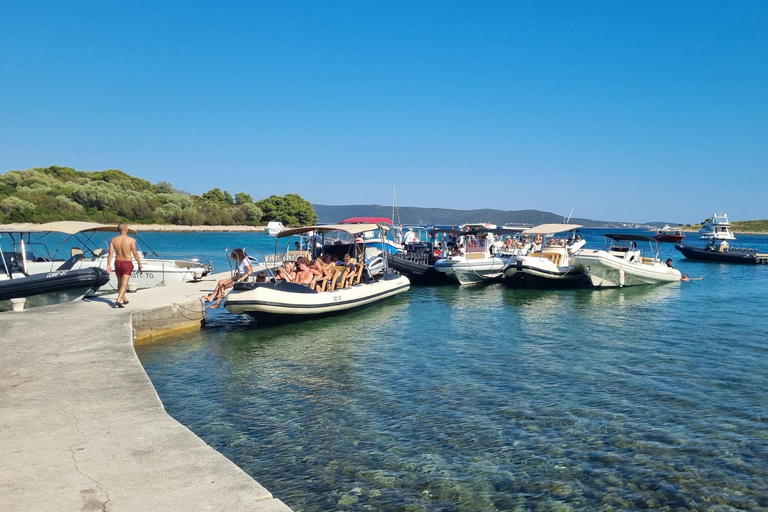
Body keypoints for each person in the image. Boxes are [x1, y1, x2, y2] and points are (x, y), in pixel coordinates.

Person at [107, 223, 143, 308]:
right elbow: (135, 253)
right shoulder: (131, 240)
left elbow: (111, 253)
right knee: (125, 283)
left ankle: (124, 299)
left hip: (118, 262)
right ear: (126, 229)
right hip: (127, 262)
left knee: (120, 282)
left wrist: (108, 264)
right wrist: (139, 263)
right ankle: (118, 300)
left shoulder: (113, 240)